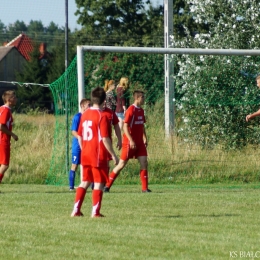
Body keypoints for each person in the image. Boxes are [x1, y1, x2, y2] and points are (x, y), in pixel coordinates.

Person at [71, 87, 119, 218]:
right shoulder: (101, 116)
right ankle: (95, 212)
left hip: (85, 153)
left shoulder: (85, 114)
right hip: (98, 154)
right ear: (104, 100)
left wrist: (84, 148)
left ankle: (76, 210)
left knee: (85, 181)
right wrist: (113, 154)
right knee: (99, 183)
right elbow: (105, 138)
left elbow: (80, 135)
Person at [104, 90, 151, 193]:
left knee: (144, 162)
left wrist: (144, 138)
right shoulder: (131, 110)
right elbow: (125, 127)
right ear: (137, 98)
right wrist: (131, 140)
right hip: (129, 143)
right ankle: (107, 186)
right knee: (121, 165)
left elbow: (142, 125)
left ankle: (144, 188)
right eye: (142, 97)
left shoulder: (141, 111)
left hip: (139, 143)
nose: (144, 99)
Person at [69, 98, 91, 191]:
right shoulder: (77, 117)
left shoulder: (89, 117)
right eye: (88, 105)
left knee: (90, 165)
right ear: (82, 106)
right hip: (77, 146)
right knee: (75, 165)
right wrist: (80, 138)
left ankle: (93, 186)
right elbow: (73, 132)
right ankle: (71, 187)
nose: (90, 107)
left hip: (87, 145)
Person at [0, 90, 18, 183]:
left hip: (2, 140)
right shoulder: (6, 110)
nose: (16, 99)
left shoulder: (2, 109)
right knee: (5, 164)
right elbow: (1, 127)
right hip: (2, 140)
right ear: (9, 99)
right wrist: (13, 134)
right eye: (14, 97)